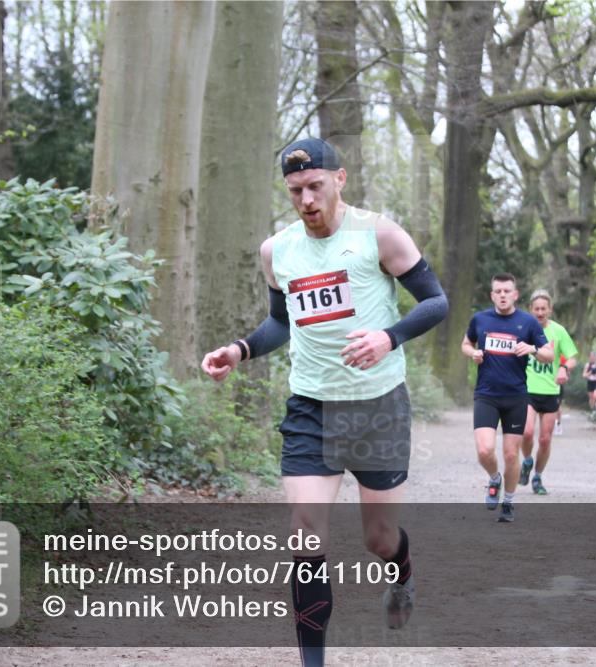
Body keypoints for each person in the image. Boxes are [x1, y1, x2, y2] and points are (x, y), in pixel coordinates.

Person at [201, 138, 448, 667]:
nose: (306, 199)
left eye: (315, 186)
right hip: (312, 407)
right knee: (305, 531)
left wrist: (389, 336)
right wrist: (240, 349)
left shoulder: (378, 234)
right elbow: (279, 323)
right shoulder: (278, 251)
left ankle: (401, 573)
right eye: (295, 190)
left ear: (340, 179)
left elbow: (436, 301)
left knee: (379, 539)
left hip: (378, 406)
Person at [461, 274, 552, 523]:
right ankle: (493, 478)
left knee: (511, 455)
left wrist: (533, 349)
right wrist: (474, 353)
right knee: (484, 449)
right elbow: (466, 343)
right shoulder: (480, 319)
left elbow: (549, 354)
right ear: (492, 295)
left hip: (516, 397)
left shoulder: (528, 322)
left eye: (507, 291)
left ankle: (509, 502)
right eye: (498, 291)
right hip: (486, 395)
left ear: (515, 294)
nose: (502, 295)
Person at [520, 290, 578, 496]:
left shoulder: (558, 331)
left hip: (551, 391)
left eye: (544, 308)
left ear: (550, 310)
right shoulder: (523, 329)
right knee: (526, 432)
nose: (540, 312)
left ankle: (537, 477)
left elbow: (572, 357)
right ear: (530, 310)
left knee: (545, 439)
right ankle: (527, 460)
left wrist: (564, 368)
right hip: (527, 390)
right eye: (536, 308)